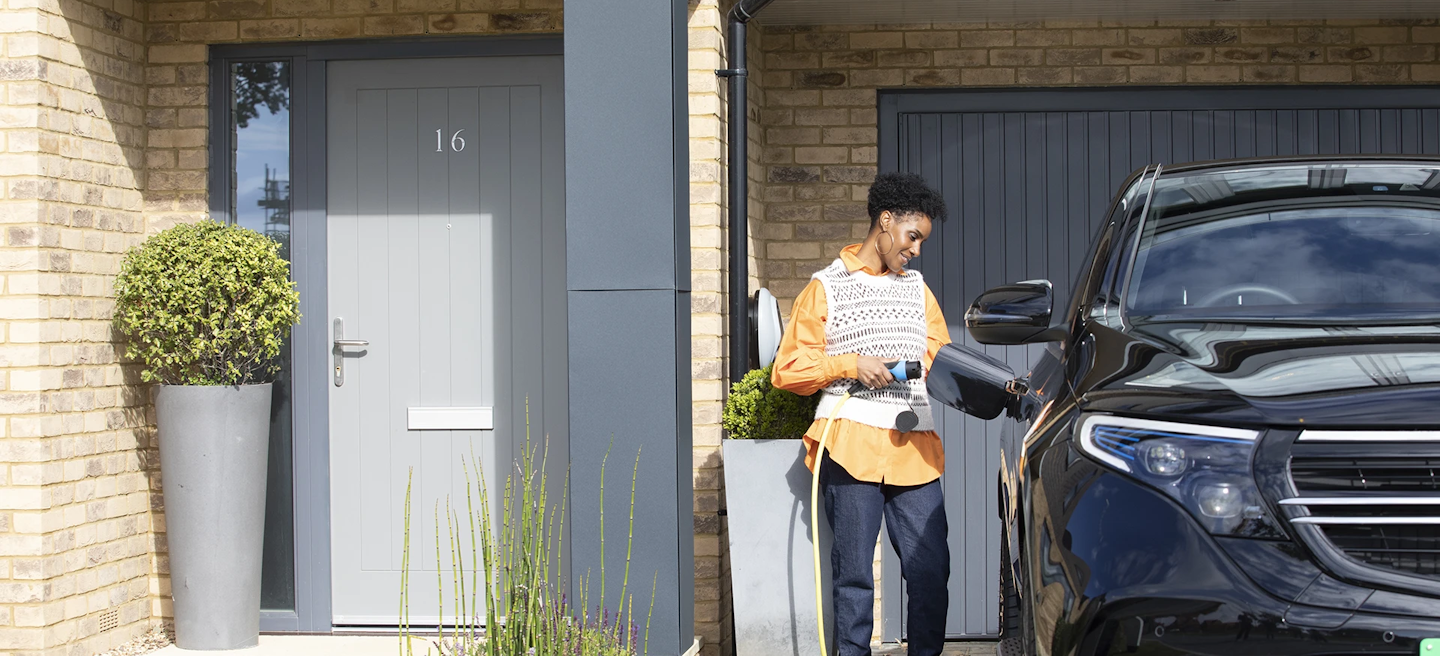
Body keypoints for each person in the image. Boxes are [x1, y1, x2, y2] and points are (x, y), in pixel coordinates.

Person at [771, 172, 952, 656]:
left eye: (922, 242)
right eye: (913, 236)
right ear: (886, 223)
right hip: (849, 446)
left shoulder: (918, 291)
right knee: (852, 579)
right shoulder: (826, 287)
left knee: (931, 572)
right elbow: (787, 369)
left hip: (913, 449)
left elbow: (942, 361)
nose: (916, 250)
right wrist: (851, 364)